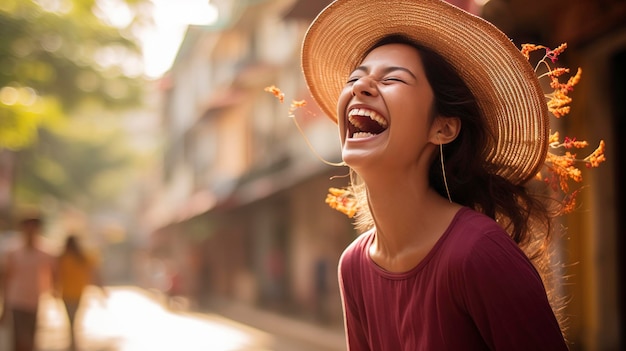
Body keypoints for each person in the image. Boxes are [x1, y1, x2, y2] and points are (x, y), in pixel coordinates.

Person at [300, 0, 571, 350]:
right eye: (355, 78)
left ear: (443, 128)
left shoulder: (478, 253)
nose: (360, 87)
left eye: (393, 79)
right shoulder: (353, 266)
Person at [0, 211, 55, 351]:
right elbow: (6, 278)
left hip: (34, 300)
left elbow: (53, 274)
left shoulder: (45, 252)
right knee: (20, 339)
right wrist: (5, 306)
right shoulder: (13, 252)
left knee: (31, 338)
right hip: (16, 300)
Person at [55, 235, 105, 351]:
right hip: (75, 292)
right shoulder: (76, 258)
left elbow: (94, 271)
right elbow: (95, 272)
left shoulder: (66, 258)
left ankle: (73, 341)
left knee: (71, 317)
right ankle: (73, 341)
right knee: (73, 317)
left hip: (69, 293)